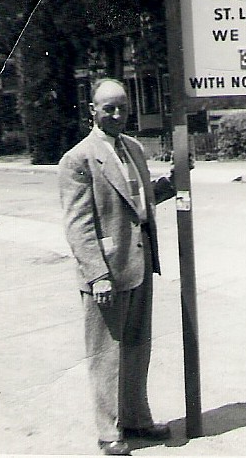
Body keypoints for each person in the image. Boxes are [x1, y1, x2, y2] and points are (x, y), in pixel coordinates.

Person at [59, 78, 176, 456]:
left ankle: (137, 419)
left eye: (122, 107)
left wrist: (172, 183)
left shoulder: (134, 148)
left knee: (138, 347)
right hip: (106, 274)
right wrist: (97, 275)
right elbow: (79, 225)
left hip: (139, 263)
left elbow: (137, 199)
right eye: (108, 107)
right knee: (106, 355)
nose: (116, 114)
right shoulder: (77, 159)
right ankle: (109, 433)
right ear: (91, 109)